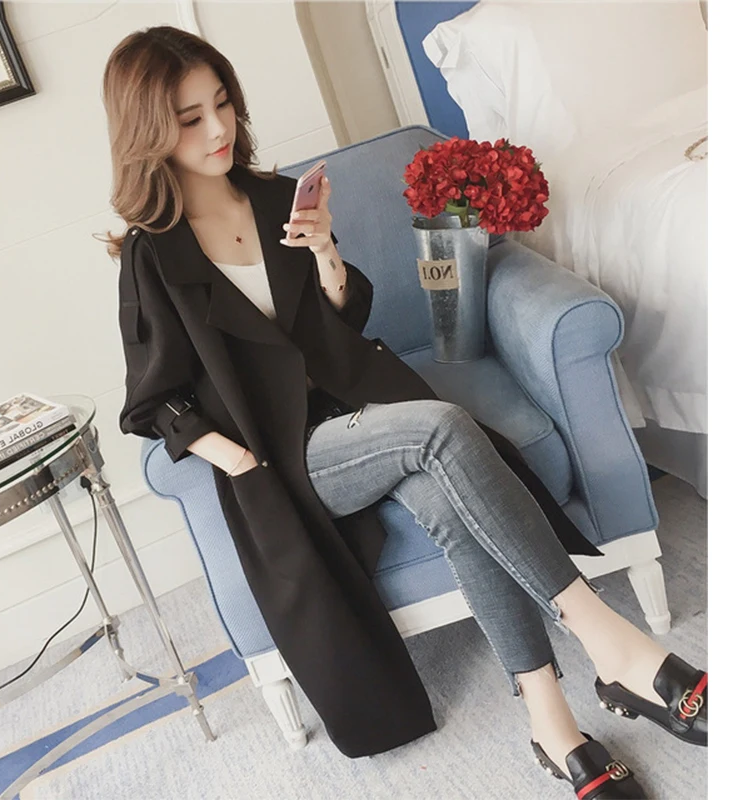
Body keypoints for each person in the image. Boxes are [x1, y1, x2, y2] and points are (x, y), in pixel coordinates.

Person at [99, 26, 706, 799]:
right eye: (190, 118)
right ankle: (610, 643)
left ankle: (552, 725)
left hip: (360, 409)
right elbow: (153, 402)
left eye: (221, 103)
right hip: (285, 456)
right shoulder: (154, 254)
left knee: (451, 507)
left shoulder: (276, 199)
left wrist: (324, 253)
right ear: (149, 131)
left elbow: (341, 321)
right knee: (443, 427)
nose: (218, 128)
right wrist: (239, 460)